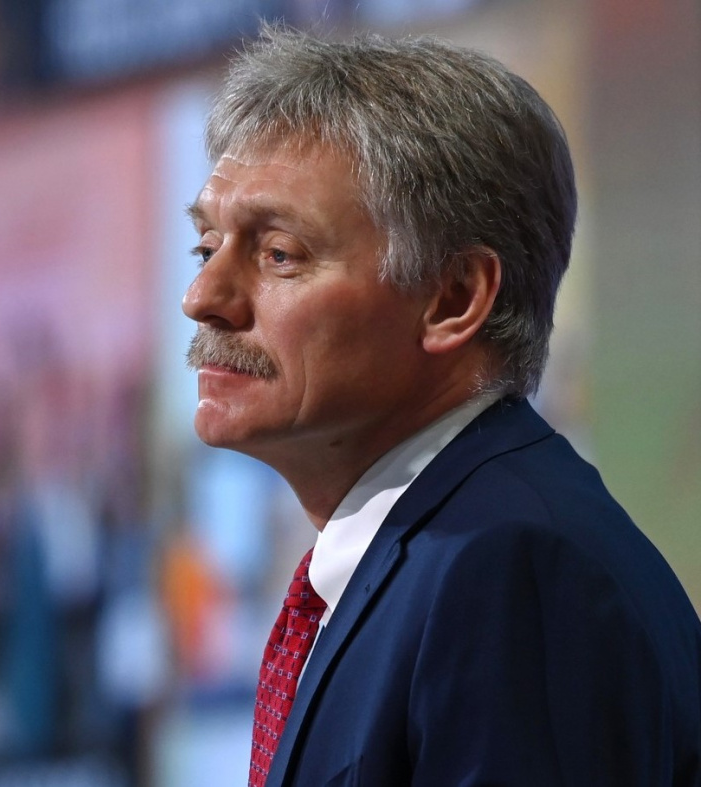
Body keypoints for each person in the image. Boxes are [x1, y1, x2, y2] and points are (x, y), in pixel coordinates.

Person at [181, 27, 701, 787]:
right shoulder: (433, 555)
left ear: (454, 299)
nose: (202, 298)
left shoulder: (509, 571)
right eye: (205, 248)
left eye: (279, 253)